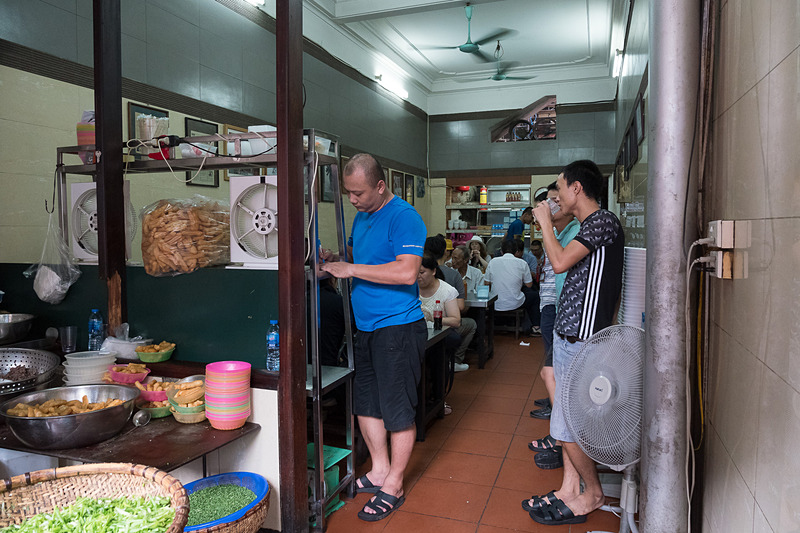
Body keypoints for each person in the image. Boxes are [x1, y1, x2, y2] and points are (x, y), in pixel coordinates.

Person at [320, 153, 427, 522]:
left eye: (359, 193)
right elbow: (361, 256)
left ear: (380, 186)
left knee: (396, 408)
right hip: (364, 327)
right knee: (365, 403)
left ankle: (394, 483)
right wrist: (338, 257)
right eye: (348, 193)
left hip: (397, 326)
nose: (353, 200)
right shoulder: (363, 216)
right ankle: (379, 469)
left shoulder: (404, 217)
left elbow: (407, 272)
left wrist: (350, 268)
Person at [524, 160, 624, 526]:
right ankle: (570, 488)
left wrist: (547, 223)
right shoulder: (587, 226)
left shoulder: (602, 222)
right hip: (569, 336)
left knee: (568, 426)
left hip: (584, 340)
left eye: (561, 190)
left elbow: (560, 261)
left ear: (577, 188)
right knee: (566, 425)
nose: (558, 197)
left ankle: (593, 492)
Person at [528, 183, 580, 470]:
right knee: (551, 373)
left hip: (569, 317)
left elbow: (559, 264)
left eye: (554, 200)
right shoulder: (562, 232)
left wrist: (545, 224)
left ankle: (563, 444)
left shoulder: (575, 231)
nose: (548, 206)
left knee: (553, 376)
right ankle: (559, 440)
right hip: (561, 313)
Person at [424, 235, 476, 372]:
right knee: (472, 324)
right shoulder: (453, 275)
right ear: (445, 252)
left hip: (430, 325)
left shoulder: (418, 273)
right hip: (443, 325)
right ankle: (455, 360)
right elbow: (460, 307)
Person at [484, 239, 538, 335]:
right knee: (535, 296)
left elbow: (486, 283)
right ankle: (536, 327)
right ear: (516, 251)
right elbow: (529, 285)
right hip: (515, 303)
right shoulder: (522, 263)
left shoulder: (493, 262)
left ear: (501, 251)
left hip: (495, 303)